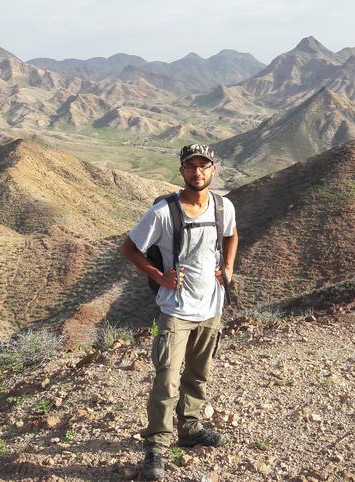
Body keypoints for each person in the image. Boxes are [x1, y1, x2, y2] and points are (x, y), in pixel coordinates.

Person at [121, 144, 238, 480]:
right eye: (190, 166)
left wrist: (227, 268)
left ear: (213, 169)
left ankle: (190, 429)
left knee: (199, 375)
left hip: (211, 306)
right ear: (181, 170)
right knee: (167, 380)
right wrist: (159, 276)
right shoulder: (163, 213)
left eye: (203, 166)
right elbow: (129, 248)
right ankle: (156, 445)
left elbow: (231, 235)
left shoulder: (221, 206)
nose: (197, 172)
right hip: (176, 310)